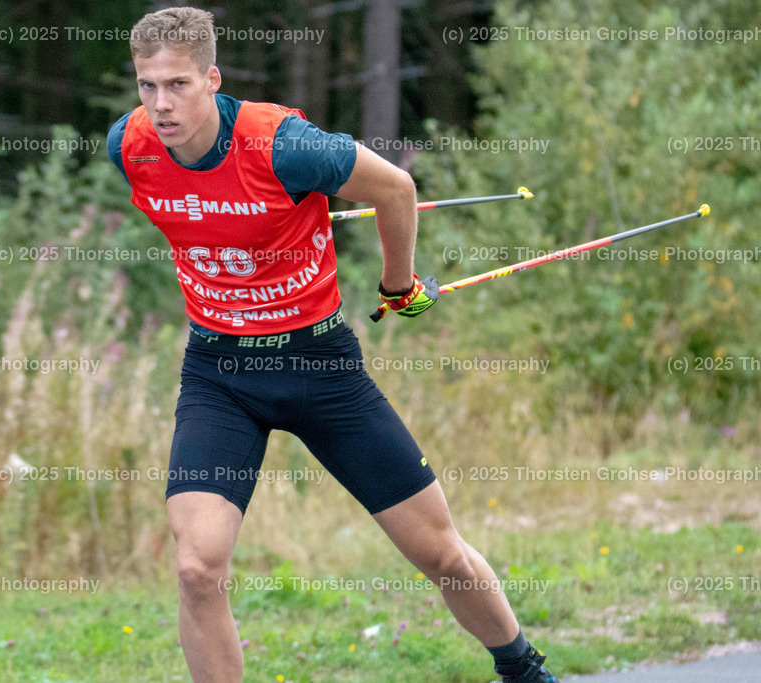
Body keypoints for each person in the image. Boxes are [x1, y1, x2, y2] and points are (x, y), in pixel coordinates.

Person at [106, 7, 556, 682]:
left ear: (212, 78)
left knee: (439, 552)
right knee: (197, 566)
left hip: (319, 368)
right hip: (220, 373)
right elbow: (198, 212)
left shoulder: (284, 144)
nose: (161, 105)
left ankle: (523, 668)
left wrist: (399, 285)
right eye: (147, 86)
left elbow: (396, 189)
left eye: (177, 84)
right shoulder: (129, 146)